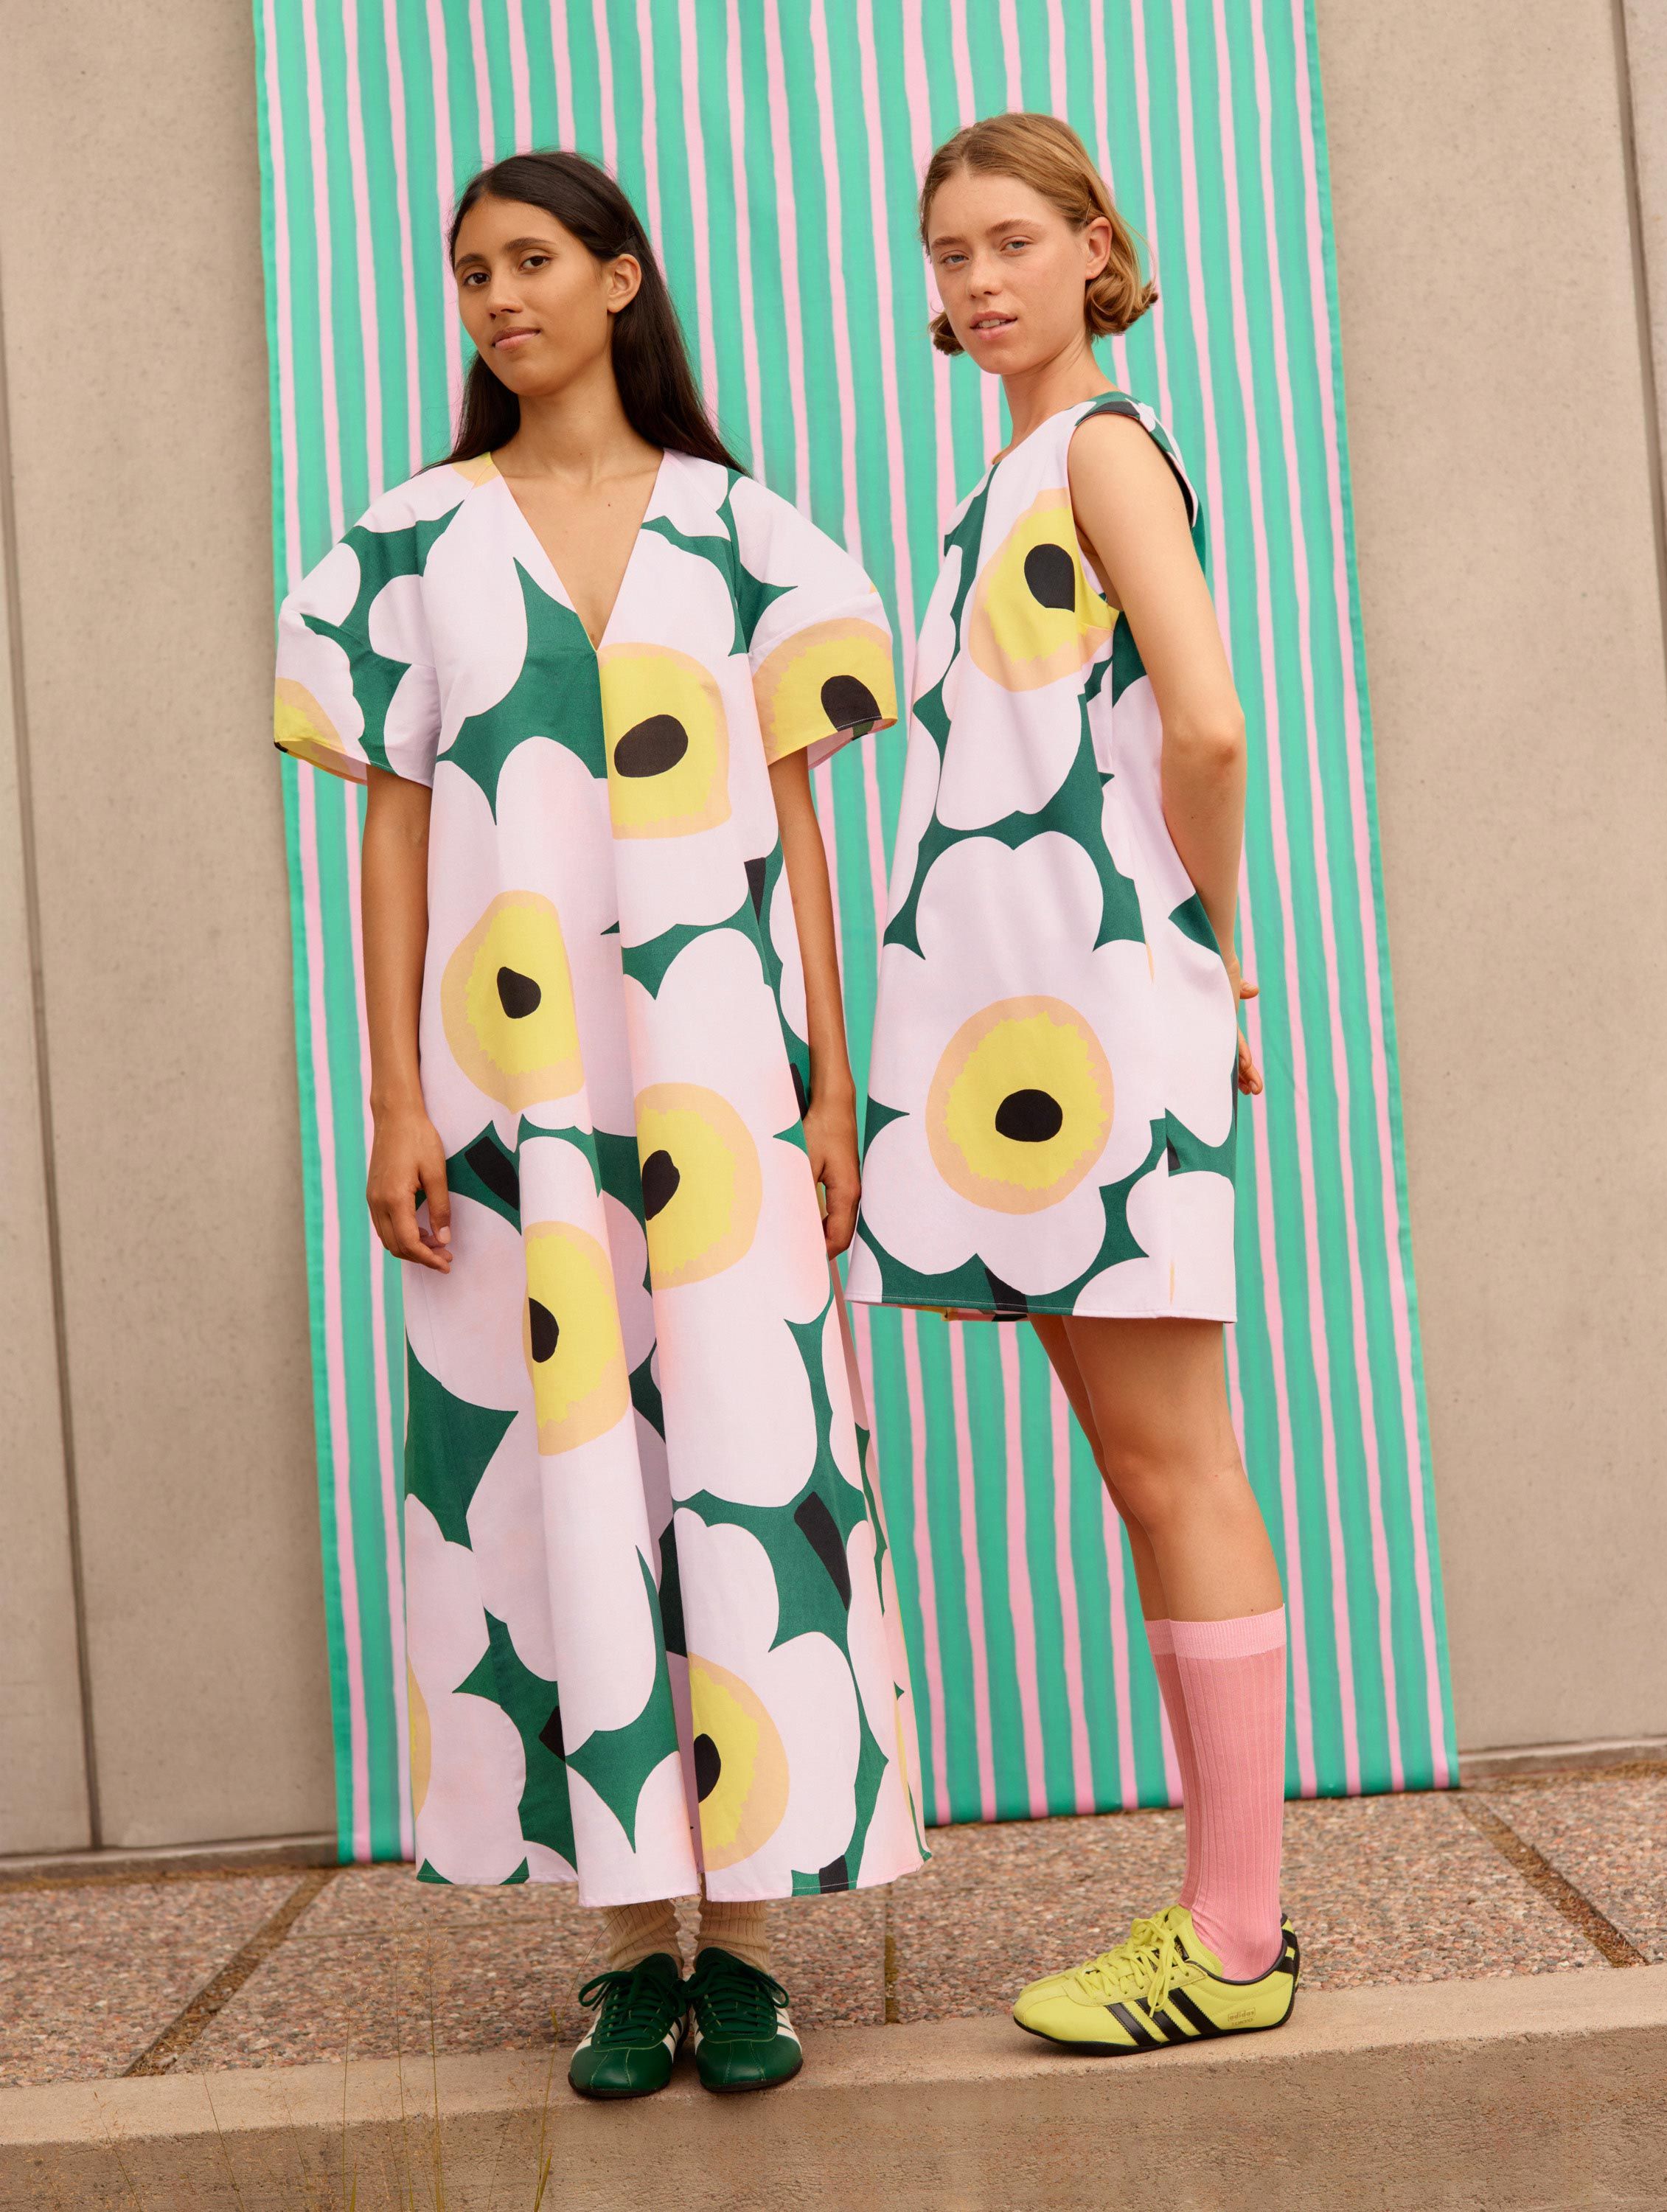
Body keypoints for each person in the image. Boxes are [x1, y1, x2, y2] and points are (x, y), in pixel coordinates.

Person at [274, 149, 926, 2100]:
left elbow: (801, 819)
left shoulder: (753, 540)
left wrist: (833, 1081)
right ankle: (635, 1944)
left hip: (723, 1083)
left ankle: (759, 1943)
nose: (497, 298)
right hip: (508, 1105)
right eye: (471, 271)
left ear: (622, 278)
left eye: (533, 261)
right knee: (551, 1476)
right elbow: (394, 829)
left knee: (743, 1460)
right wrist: (392, 1089)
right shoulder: (400, 548)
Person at [848, 112, 1298, 2049]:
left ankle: (1237, 1938)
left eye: (1012, 240)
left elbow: (1205, 720)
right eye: (950, 253)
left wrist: (1214, 951)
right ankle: (1223, 1917)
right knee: (1142, 1464)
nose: (977, 280)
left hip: (1095, 1031)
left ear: (1096, 248)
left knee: (1176, 1460)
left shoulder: (1100, 450)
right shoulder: (1010, 476)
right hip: (1024, 1044)